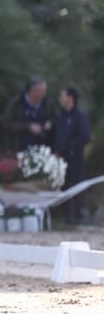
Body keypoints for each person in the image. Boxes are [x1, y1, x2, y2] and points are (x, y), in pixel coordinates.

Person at [54, 86, 91, 224]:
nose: (60, 100)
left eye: (62, 96)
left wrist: (70, 147)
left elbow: (85, 136)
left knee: (77, 185)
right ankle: (67, 218)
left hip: (75, 158)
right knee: (64, 186)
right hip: (61, 160)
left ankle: (81, 215)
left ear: (70, 98)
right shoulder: (61, 117)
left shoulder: (80, 116)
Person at [2, 77, 53, 152]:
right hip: (19, 150)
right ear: (33, 91)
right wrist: (28, 126)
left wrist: (50, 122)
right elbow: (7, 124)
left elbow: (56, 118)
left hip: (41, 152)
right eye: (42, 91)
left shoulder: (47, 104)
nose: (44, 94)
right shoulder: (16, 103)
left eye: (45, 91)